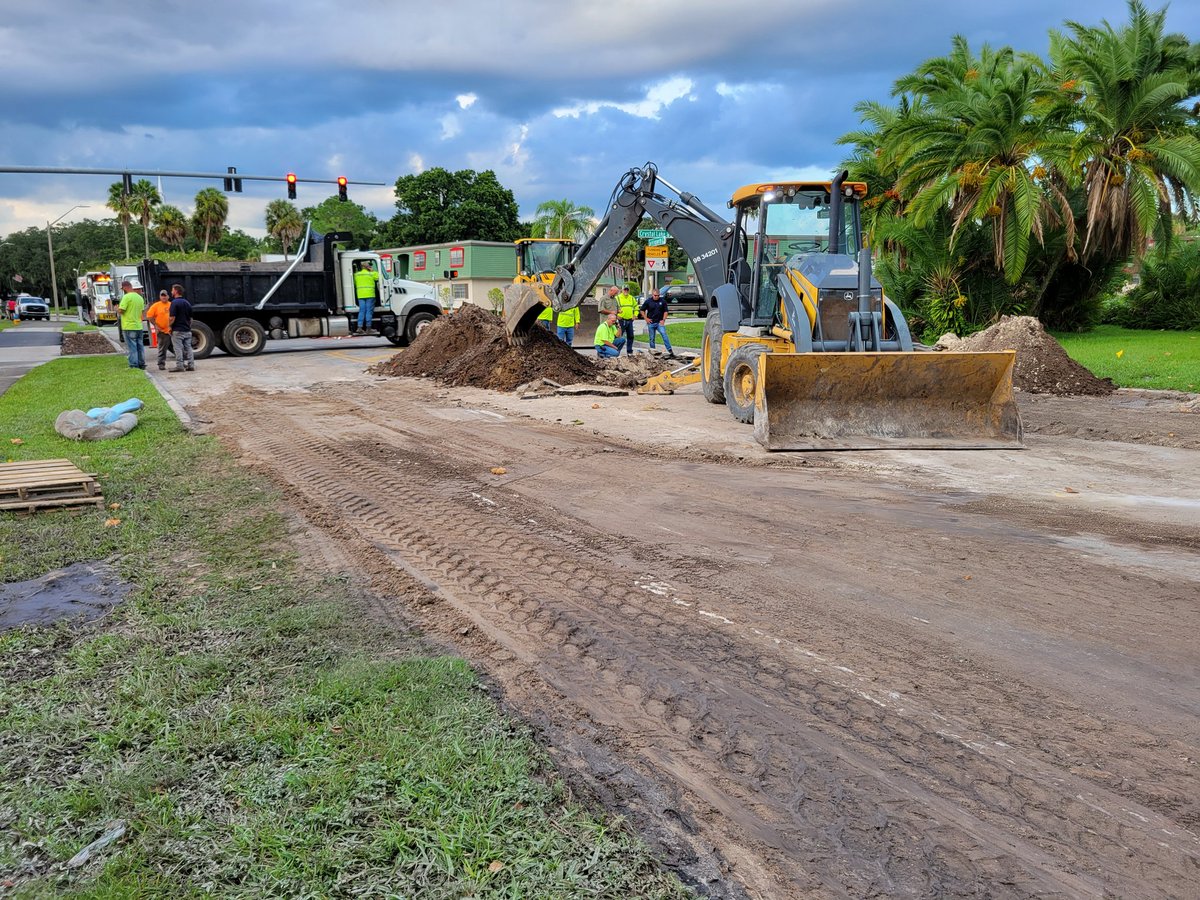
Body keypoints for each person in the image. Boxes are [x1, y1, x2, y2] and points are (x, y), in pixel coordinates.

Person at [117, 280, 146, 369]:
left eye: (123, 289)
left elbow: (121, 310)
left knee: (132, 347)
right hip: (138, 326)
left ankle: (133, 365)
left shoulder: (126, 297)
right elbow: (142, 312)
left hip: (129, 326)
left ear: (125, 287)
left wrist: (116, 309)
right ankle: (141, 363)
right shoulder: (140, 298)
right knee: (140, 346)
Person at [640, 288, 676, 358]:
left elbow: (666, 311)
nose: (656, 297)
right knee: (652, 338)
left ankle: (670, 351)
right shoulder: (648, 301)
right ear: (652, 294)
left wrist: (663, 320)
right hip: (651, 322)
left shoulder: (663, 301)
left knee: (664, 335)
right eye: (655, 295)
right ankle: (653, 352)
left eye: (658, 295)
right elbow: (642, 310)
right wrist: (646, 318)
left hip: (659, 322)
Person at [168, 283, 194, 372]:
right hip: (187, 330)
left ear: (175, 291)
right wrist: (188, 327)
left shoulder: (174, 303)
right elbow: (191, 318)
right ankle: (191, 365)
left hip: (177, 330)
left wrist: (169, 327)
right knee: (188, 348)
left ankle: (180, 366)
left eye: (172, 290)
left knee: (178, 348)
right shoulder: (187, 303)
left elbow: (172, 318)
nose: (171, 291)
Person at [146, 289, 174, 370]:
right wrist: (156, 325)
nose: (164, 297)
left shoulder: (172, 304)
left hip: (172, 330)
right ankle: (161, 364)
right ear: (160, 297)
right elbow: (149, 316)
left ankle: (181, 363)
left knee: (177, 347)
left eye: (165, 295)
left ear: (168, 296)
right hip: (162, 331)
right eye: (162, 295)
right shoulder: (156, 306)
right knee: (162, 348)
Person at [353, 261, 379, 334]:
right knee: (368, 311)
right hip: (370, 295)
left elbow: (355, 283)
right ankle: (368, 328)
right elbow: (378, 277)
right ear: (368, 267)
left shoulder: (356, 275)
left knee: (362, 311)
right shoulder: (371, 274)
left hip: (360, 295)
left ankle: (359, 327)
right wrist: (372, 270)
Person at [614, 285, 639, 356]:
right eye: (625, 290)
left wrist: (635, 315)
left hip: (630, 320)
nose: (626, 291)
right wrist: (617, 315)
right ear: (622, 290)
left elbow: (636, 307)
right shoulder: (617, 298)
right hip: (621, 320)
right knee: (618, 336)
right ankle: (616, 350)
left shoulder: (631, 298)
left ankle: (629, 351)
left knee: (631, 336)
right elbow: (613, 307)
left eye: (627, 290)